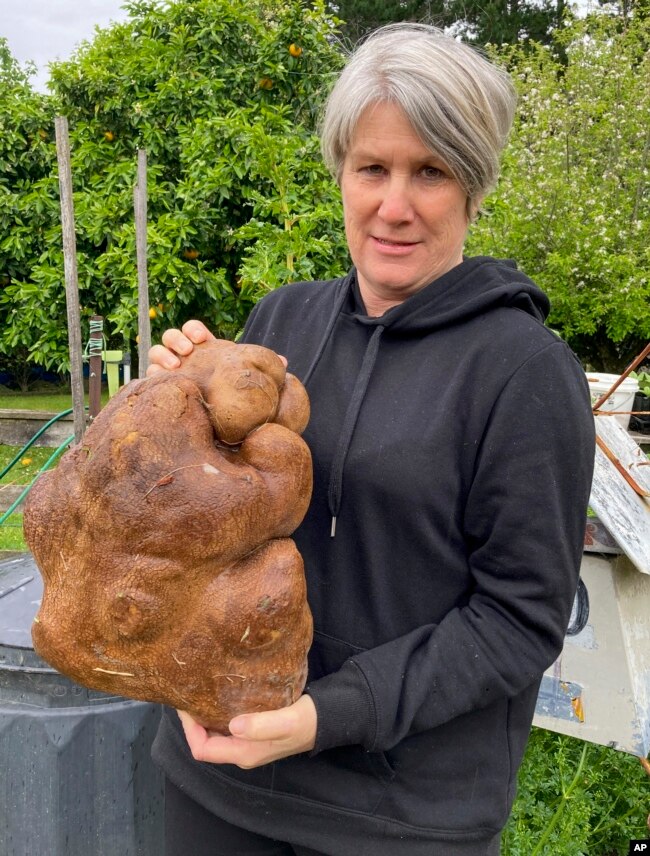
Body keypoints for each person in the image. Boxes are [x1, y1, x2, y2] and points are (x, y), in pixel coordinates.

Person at [147, 22, 595, 856]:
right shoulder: (282, 319)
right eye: (373, 169)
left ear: (474, 183)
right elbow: (210, 527)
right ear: (342, 175)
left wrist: (325, 716)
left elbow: (518, 619)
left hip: (399, 819)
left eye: (430, 171)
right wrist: (171, 407)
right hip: (215, 775)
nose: (395, 205)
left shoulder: (524, 372)